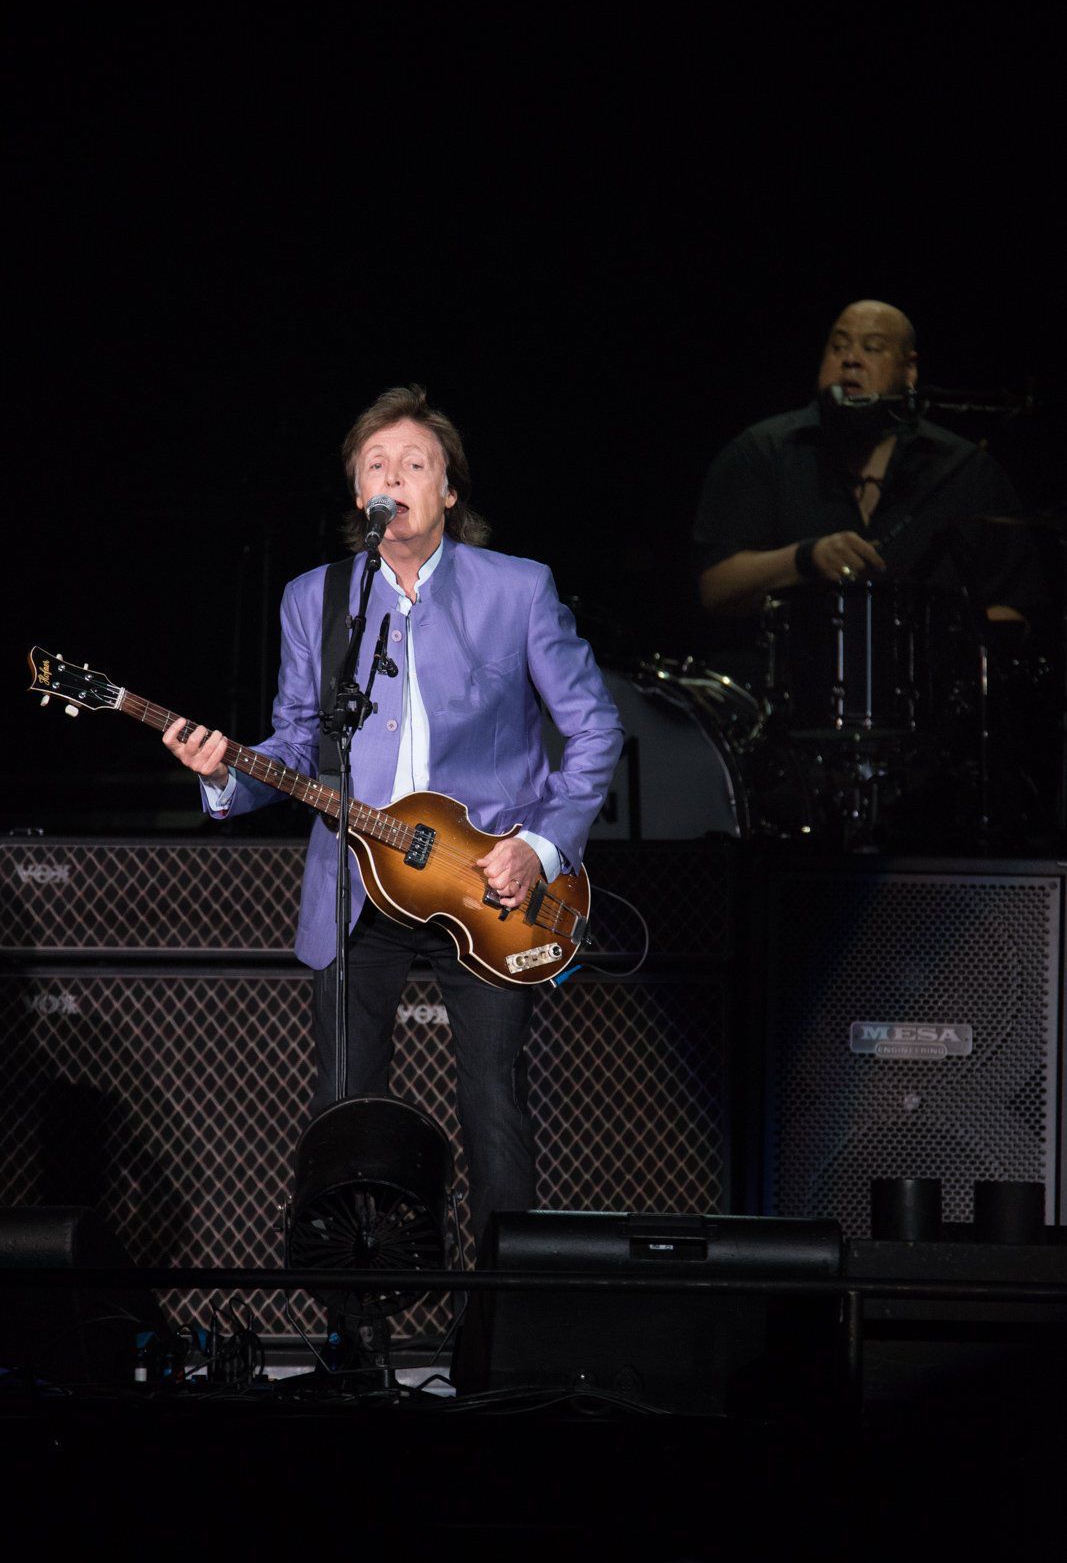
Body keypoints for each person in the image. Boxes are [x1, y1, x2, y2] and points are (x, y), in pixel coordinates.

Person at [162, 384, 624, 1255]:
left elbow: (595, 727)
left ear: (449, 491)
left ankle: (501, 1329)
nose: (395, 476)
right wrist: (225, 774)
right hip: (357, 886)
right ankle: (353, 1329)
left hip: (488, 883)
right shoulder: (316, 598)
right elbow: (298, 742)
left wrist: (538, 845)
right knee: (342, 1107)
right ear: (356, 494)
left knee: (492, 1102)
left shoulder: (517, 590)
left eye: (416, 463)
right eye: (377, 464)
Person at [694, 299, 1041, 628]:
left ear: (909, 370)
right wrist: (805, 559)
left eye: (872, 348)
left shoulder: (966, 470)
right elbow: (716, 589)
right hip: (775, 684)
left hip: (925, 686)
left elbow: (1013, 605)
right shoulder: (761, 452)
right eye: (839, 347)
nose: (851, 360)